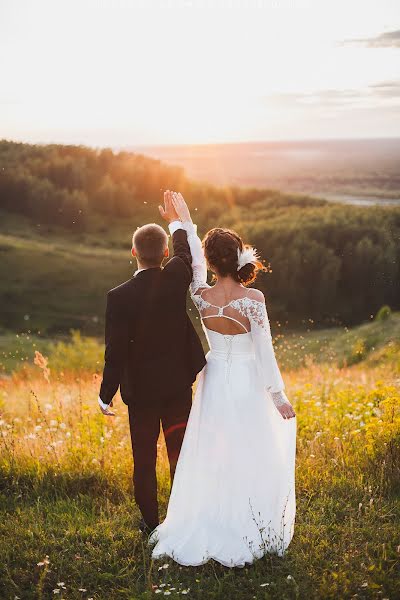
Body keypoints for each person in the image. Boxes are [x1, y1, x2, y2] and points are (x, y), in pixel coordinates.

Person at [148, 192, 297, 567]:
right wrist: (277, 396)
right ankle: (248, 523)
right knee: (248, 448)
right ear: (239, 256)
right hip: (247, 380)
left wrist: (181, 223)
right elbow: (265, 353)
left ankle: (210, 517)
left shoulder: (200, 295)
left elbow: (195, 262)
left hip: (214, 379)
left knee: (213, 451)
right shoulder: (254, 299)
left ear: (213, 262)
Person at [98, 190, 206, 534]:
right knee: (180, 455)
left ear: (133, 253)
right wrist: (175, 220)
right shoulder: (176, 276)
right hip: (177, 386)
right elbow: (186, 251)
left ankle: (149, 523)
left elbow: (114, 351)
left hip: (140, 393)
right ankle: (180, 519)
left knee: (144, 459)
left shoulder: (118, 297)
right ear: (163, 253)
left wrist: (105, 393)